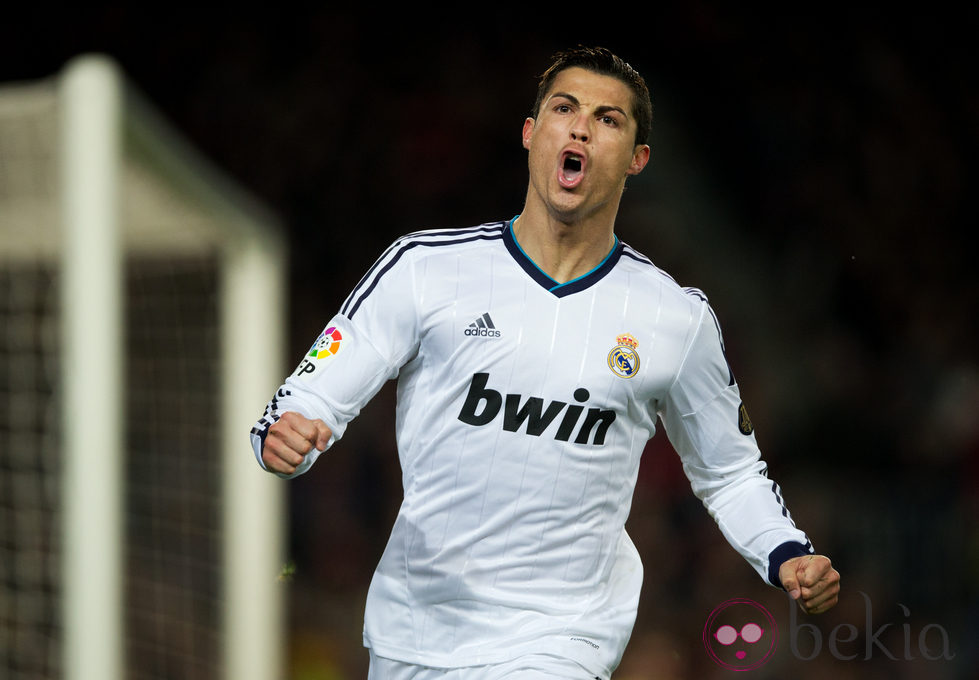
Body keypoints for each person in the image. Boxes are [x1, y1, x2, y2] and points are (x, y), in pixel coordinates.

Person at [251, 46, 840, 679]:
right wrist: (287, 439)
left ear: (638, 159)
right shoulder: (424, 270)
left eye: (608, 119)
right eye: (565, 108)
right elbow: (308, 401)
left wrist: (785, 553)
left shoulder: (675, 319)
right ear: (532, 134)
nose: (582, 126)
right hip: (414, 633)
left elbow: (728, 471)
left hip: (562, 640)